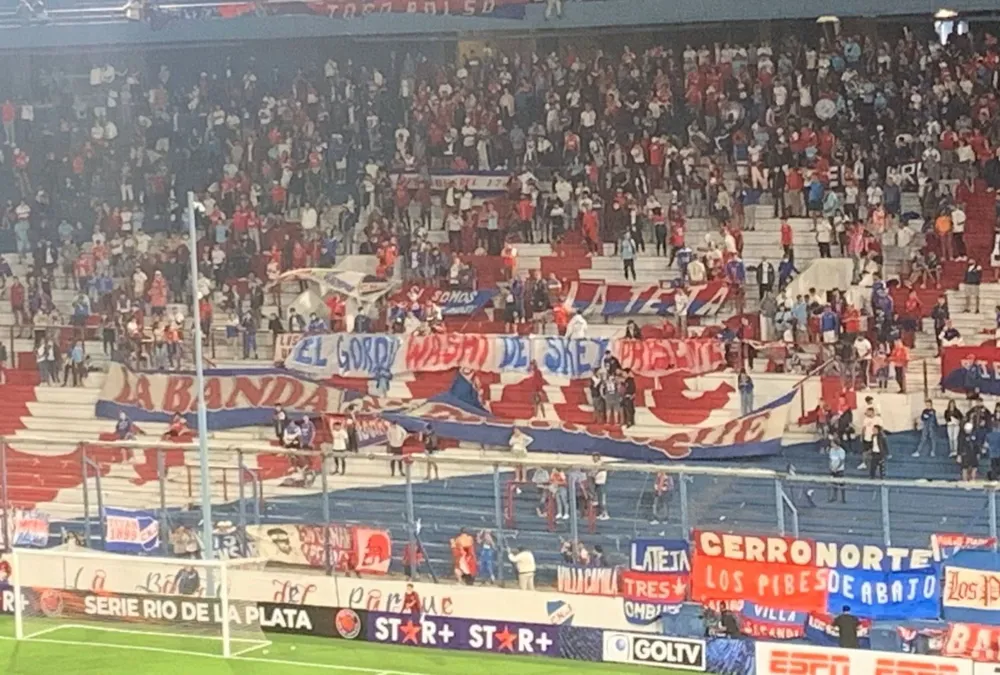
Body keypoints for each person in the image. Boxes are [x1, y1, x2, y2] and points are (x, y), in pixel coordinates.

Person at [828, 437, 846, 503]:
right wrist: (831, 467)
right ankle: (834, 497)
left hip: (839, 470)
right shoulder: (831, 450)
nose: (831, 444)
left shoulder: (842, 451)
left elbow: (842, 461)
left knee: (842, 484)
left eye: (832, 443)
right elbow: (830, 459)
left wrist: (837, 468)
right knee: (833, 484)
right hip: (833, 469)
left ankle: (843, 499)